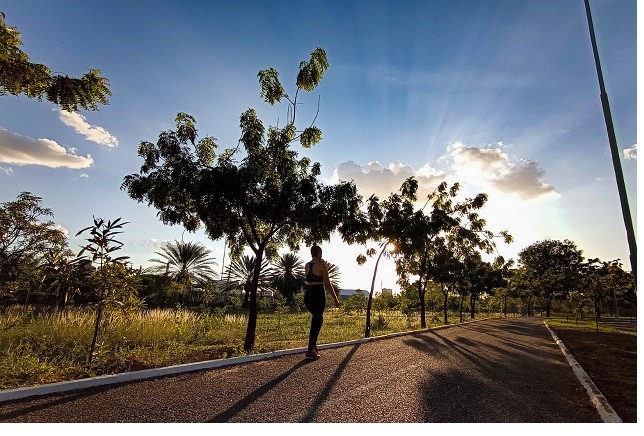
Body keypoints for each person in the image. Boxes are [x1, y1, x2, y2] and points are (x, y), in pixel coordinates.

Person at [303, 244, 340, 360]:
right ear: (319, 253)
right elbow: (328, 284)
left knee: (317, 319)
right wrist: (335, 299)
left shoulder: (307, 265)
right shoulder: (322, 265)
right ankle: (310, 349)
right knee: (318, 319)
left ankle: (313, 346)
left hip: (308, 294)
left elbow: (311, 278)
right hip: (318, 293)